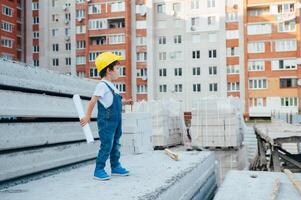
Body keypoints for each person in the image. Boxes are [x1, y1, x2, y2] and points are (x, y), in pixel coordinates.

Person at [80, 52, 130, 181]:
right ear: (109, 70)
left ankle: (115, 166)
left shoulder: (112, 86)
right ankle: (99, 169)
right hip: (107, 121)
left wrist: (126, 102)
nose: (119, 71)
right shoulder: (102, 85)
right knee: (107, 144)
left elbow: (113, 101)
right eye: (117, 68)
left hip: (116, 121)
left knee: (115, 143)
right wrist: (87, 116)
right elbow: (93, 101)